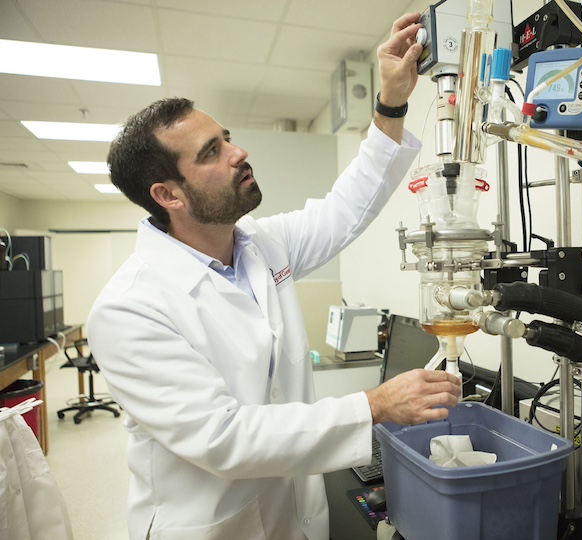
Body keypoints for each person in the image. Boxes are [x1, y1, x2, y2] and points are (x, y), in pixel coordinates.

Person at [86, 13, 461, 540]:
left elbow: (347, 206)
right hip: (211, 526)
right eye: (212, 152)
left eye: (228, 138)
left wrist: (391, 100)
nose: (239, 153)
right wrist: (373, 405)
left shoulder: (262, 245)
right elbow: (223, 437)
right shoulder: (128, 308)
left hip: (295, 513)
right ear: (168, 195)